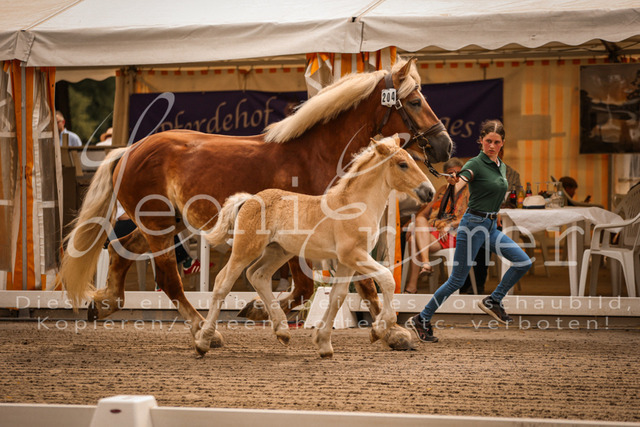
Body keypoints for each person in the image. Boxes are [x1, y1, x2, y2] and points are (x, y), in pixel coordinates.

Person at [407, 120, 532, 342]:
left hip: (490, 226)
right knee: (456, 280)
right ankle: (422, 318)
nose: (492, 146)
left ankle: (494, 300)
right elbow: (460, 182)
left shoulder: (501, 166)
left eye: (496, 142)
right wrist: (454, 181)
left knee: (523, 262)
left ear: (503, 143)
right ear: (481, 141)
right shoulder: (475, 163)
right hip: (473, 225)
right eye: (488, 141)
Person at [404, 158, 469, 293]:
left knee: (412, 240)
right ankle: (425, 263)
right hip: (434, 230)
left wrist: (449, 225)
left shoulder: (469, 191)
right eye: (450, 173)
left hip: (454, 232)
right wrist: (414, 225)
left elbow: (469, 216)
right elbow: (425, 212)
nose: (454, 176)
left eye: (458, 173)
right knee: (419, 220)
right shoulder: (442, 190)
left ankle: (413, 285)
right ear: (445, 176)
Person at [106, 201, 202, 282]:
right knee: (157, 225)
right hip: (115, 229)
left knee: (161, 224)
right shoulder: (115, 188)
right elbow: (120, 215)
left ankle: (164, 279)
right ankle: (185, 263)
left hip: (129, 222)